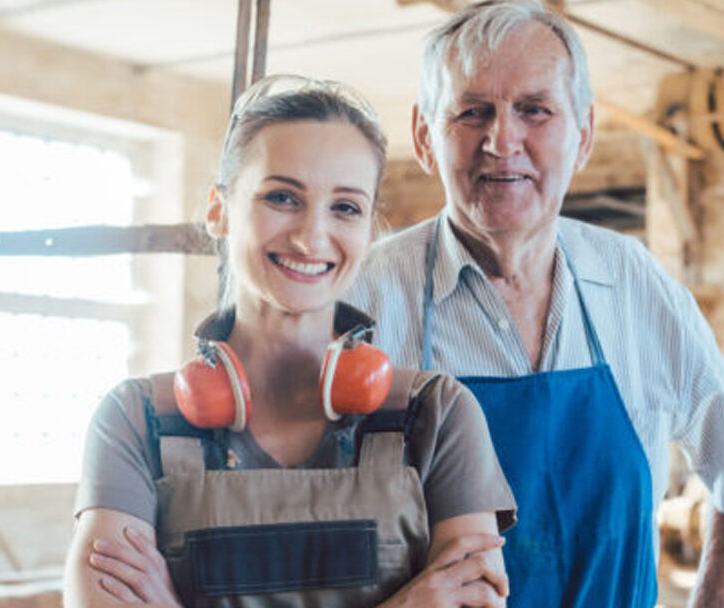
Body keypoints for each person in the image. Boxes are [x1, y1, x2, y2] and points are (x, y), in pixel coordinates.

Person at [344, 0, 724, 608]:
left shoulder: (634, 285)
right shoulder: (361, 301)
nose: (502, 141)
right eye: (473, 112)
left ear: (583, 136)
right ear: (423, 136)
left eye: (535, 110)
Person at [62, 75, 516, 608]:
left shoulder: (437, 415)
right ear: (219, 211)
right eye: (282, 197)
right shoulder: (136, 420)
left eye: (345, 207)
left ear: (370, 228)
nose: (311, 236)